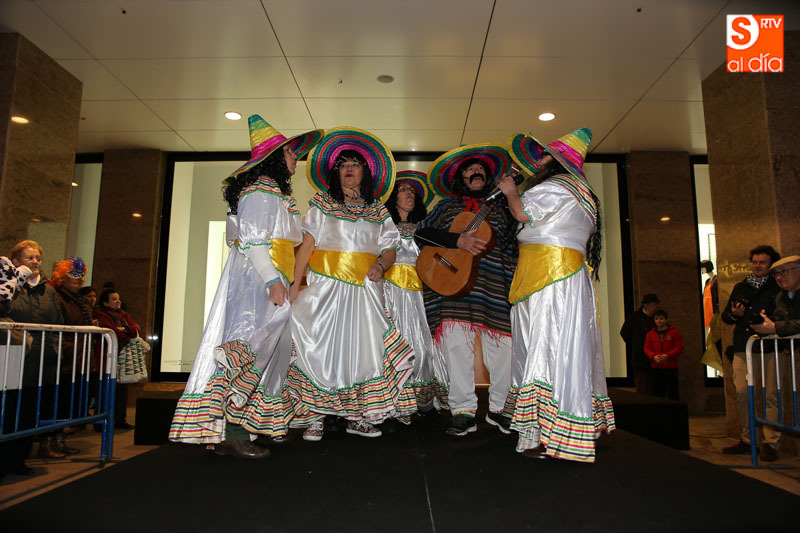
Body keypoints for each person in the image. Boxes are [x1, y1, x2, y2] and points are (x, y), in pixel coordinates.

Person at [169, 116, 322, 459]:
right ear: (275, 158)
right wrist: (272, 280)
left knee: (270, 350)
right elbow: (252, 240)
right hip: (257, 281)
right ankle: (233, 432)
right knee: (251, 343)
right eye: (290, 154)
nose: (295, 159)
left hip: (272, 276)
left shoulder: (273, 192)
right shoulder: (260, 190)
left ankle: (258, 425)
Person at [285, 126, 416, 442]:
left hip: (364, 293)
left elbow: (389, 249)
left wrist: (381, 266)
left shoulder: (378, 210)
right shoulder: (323, 203)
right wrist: (294, 284)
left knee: (362, 353)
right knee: (318, 348)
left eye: (355, 164)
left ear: (365, 172)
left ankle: (357, 416)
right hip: (325, 291)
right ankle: (314, 416)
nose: (348, 169)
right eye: (343, 164)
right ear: (336, 172)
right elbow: (306, 246)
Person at [497, 128, 614, 462]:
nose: (538, 162)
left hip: (548, 277)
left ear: (557, 162)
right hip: (564, 275)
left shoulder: (556, 186)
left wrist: (510, 191)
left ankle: (543, 434)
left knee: (543, 347)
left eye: (544, 157)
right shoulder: (583, 194)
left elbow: (522, 214)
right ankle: (568, 426)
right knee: (566, 348)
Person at [417, 143, 518, 437]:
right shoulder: (446, 207)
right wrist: (456, 241)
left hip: (494, 286)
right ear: (460, 178)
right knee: (456, 349)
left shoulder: (504, 208)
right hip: (453, 287)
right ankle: (462, 411)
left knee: (504, 352)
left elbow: (517, 243)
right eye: (469, 168)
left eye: (480, 168)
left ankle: (499, 409)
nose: (476, 171)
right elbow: (422, 233)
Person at [383, 171, 449, 417]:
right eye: (402, 190)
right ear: (393, 198)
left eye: (412, 191)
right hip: (390, 293)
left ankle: (421, 396)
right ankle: (395, 401)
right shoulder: (383, 226)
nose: (409, 194)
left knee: (423, 346)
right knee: (394, 345)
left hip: (421, 295)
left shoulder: (424, 229)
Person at [6, 240, 66, 467]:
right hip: (14, 359)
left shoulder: (48, 291)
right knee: (11, 410)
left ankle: (19, 460)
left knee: (29, 412)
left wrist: (55, 352)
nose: (35, 262)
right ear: (15, 261)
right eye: (29, 257)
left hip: (42, 360)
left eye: (38, 258)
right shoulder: (9, 286)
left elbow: (58, 322)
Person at [719, 245, 781, 461]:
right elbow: (725, 317)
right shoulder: (741, 287)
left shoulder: (778, 287)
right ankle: (748, 439)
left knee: (771, 394)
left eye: (762, 262)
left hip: (769, 347)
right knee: (742, 392)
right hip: (742, 347)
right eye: (755, 262)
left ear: (771, 265)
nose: (757, 266)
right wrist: (734, 315)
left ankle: (771, 443)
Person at [94, 288, 141, 430]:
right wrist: (126, 333)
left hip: (122, 357)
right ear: (105, 303)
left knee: (121, 390)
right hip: (107, 358)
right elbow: (112, 332)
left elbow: (136, 328)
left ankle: (120, 419)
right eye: (114, 299)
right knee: (105, 390)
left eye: (118, 298)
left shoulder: (124, 314)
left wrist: (125, 330)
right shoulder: (101, 315)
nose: (118, 301)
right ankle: (100, 422)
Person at [620, 293, 661, 394]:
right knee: (643, 387)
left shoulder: (659, 317)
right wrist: (636, 345)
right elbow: (624, 333)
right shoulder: (633, 317)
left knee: (657, 389)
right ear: (647, 305)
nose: (657, 306)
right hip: (641, 359)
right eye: (655, 304)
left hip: (658, 359)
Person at [643, 309, 682, 400]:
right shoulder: (650, 334)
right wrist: (653, 356)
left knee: (672, 392)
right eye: (656, 319)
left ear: (666, 319)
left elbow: (679, 347)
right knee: (657, 393)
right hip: (656, 367)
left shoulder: (674, 332)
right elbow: (647, 348)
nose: (659, 321)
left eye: (661, 318)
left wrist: (668, 355)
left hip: (671, 367)